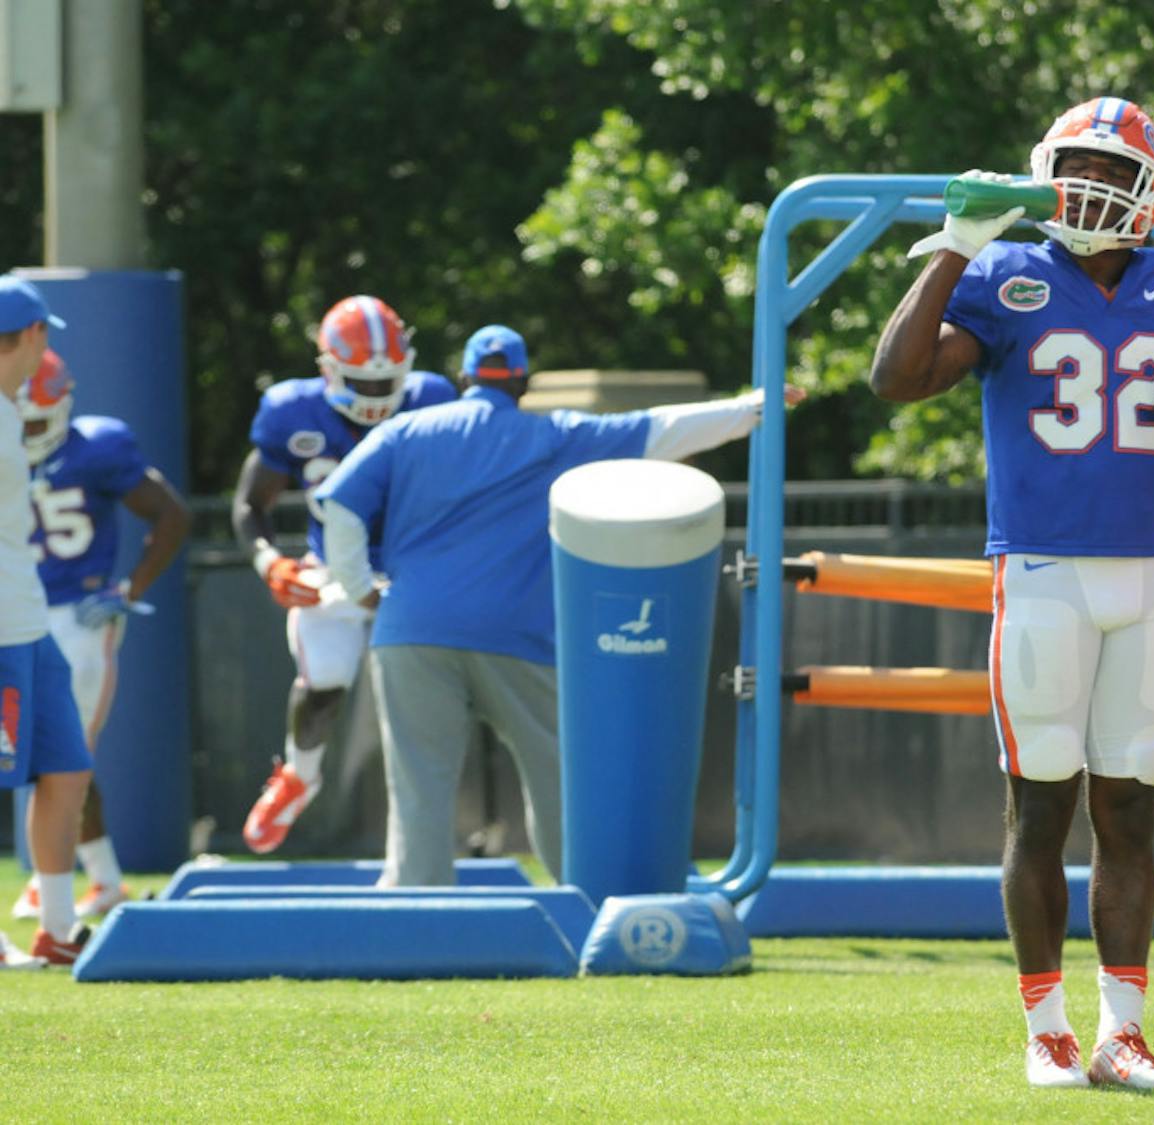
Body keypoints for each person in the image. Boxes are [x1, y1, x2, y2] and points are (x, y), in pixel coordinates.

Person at [868, 97, 1154, 1090]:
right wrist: (954, 251)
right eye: (1076, 166)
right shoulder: (1004, 273)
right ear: (1047, 169)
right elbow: (898, 378)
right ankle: (1046, 1030)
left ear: (1149, 193)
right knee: (1039, 805)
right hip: (1042, 570)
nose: (1089, 187)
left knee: (1132, 808)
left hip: (1150, 568)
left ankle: (1121, 1033)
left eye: (1110, 170)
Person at [315, 324, 804, 887]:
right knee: (562, 780)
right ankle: (589, 895)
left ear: (464, 377)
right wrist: (752, 408)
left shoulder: (404, 433)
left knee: (420, 787)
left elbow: (341, 507)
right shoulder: (557, 435)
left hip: (413, 631)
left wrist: (362, 592)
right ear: (522, 382)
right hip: (518, 637)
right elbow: (660, 431)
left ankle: (416, 916)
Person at [232, 295, 455, 854]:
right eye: (364, 383)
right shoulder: (291, 411)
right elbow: (249, 505)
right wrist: (270, 561)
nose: (378, 397)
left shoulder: (433, 399)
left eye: (387, 384)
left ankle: (422, 829)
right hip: (332, 570)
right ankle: (300, 776)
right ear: (329, 369)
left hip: (410, 571)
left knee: (417, 703)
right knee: (325, 680)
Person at [8, 348, 190, 922]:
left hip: (79, 616)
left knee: (59, 758)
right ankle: (100, 881)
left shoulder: (97, 447)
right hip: (19, 613)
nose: (29, 431)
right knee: (59, 758)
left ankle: (57, 883)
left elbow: (172, 513)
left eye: (38, 419)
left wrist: (129, 590)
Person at [0, 276, 94, 966]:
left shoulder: (9, 408)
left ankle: (58, 931)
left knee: (68, 768)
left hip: (30, 622)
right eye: (45, 333)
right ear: (30, 335)